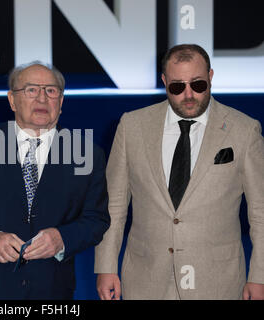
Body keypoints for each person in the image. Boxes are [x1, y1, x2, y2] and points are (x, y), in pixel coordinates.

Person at [95, 44, 264, 300]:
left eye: (197, 85)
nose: (188, 95)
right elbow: (114, 205)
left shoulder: (244, 130)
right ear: (164, 82)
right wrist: (106, 268)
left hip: (218, 281)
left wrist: (259, 276)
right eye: (177, 86)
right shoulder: (132, 126)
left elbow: (260, 212)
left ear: (210, 77)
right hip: (145, 279)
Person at [0, 61, 110, 299]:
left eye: (50, 91)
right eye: (31, 90)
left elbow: (97, 219)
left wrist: (62, 239)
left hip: (53, 290)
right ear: (12, 100)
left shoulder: (87, 153)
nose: (42, 99)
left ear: (61, 102)